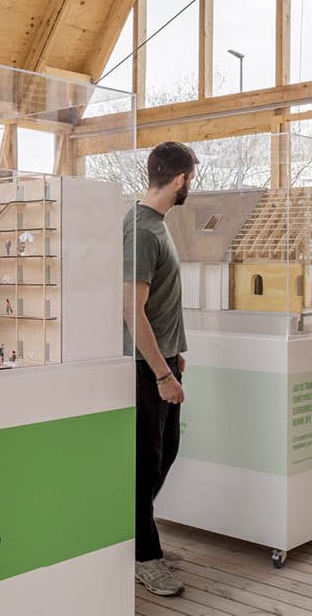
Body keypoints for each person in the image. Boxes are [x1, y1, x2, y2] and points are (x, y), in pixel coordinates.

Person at [123, 141, 197, 598]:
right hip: (146, 368)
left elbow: (162, 303)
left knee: (165, 452)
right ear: (180, 180)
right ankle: (144, 556)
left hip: (164, 359)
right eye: (192, 178)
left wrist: (175, 354)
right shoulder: (143, 230)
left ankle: (133, 535)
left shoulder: (156, 225)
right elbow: (133, 310)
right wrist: (162, 374)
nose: (192, 184)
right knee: (145, 462)